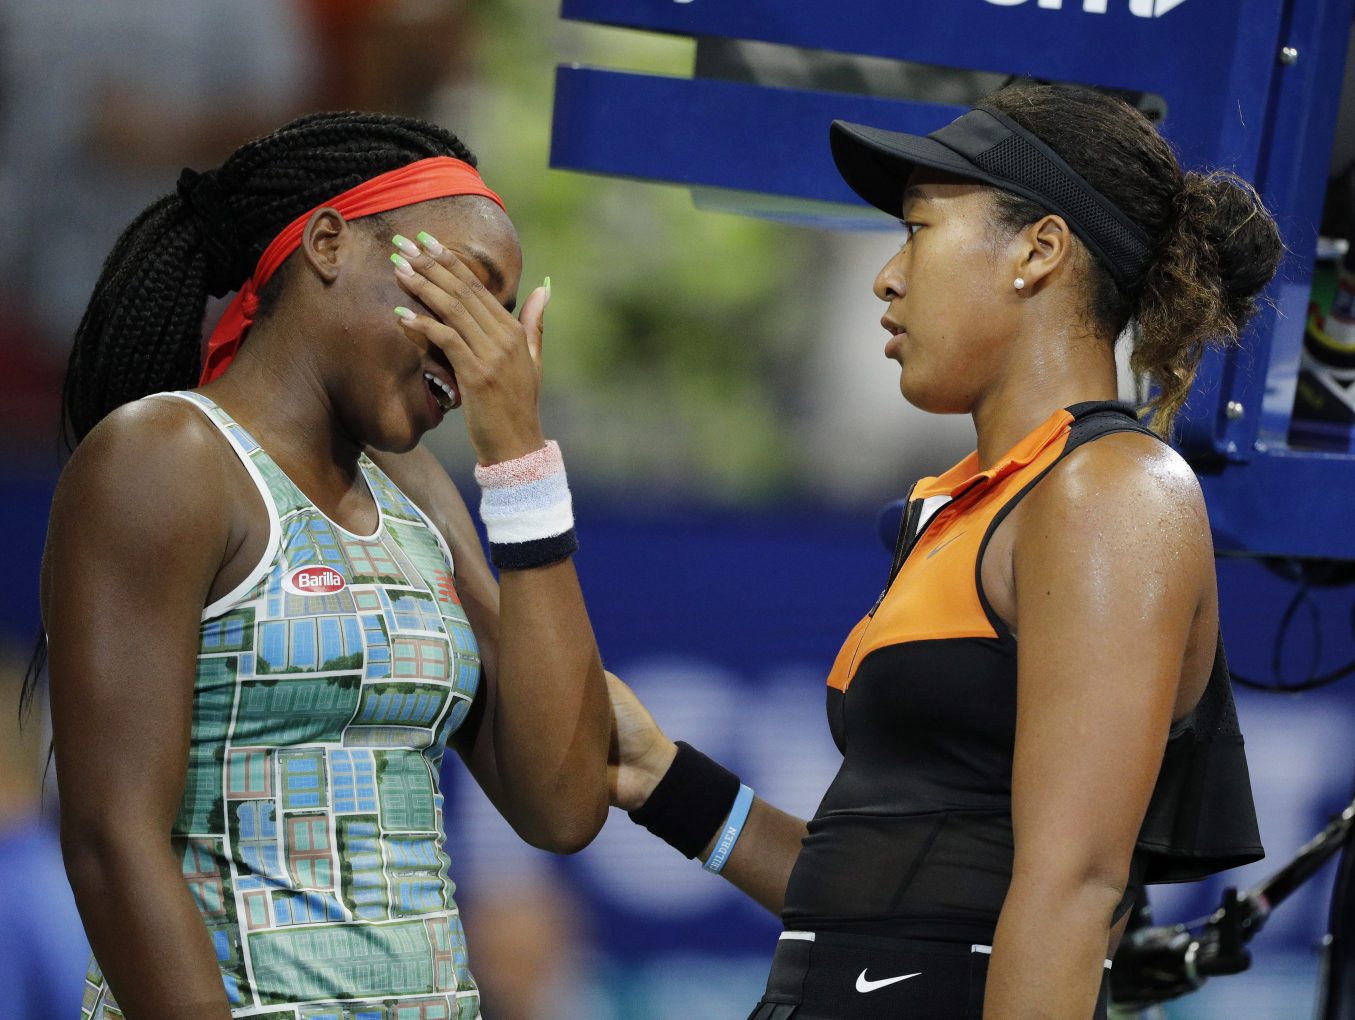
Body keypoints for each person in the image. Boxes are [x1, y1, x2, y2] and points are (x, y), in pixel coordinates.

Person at [606, 82, 1280, 1020]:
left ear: (1038, 252)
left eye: (918, 230)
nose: (885, 275)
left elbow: (1075, 888)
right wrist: (662, 780)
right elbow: (889, 907)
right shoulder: (970, 504)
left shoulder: (1108, 491)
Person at [33, 110, 611, 1019]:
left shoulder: (417, 493)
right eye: (467, 293)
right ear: (332, 243)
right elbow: (111, 840)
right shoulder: (168, 456)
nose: (478, 349)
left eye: (501, 321)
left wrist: (521, 465)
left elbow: (564, 804)